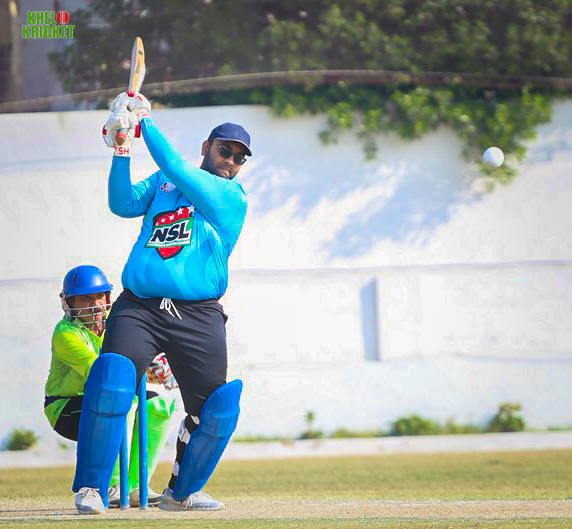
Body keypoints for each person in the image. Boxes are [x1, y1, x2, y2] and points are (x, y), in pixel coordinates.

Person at [71, 93, 250, 514]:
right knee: (112, 380)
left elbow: (176, 167)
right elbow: (122, 204)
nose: (230, 160)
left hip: (198, 314)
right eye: (224, 150)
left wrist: (144, 122)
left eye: (239, 157)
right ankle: (93, 489)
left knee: (215, 410)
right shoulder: (164, 183)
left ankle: (182, 493)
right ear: (206, 147)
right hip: (141, 307)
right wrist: (121, 149)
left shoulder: (231, 196)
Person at [44, 265, 178, 510]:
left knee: (160, 404)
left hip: (105, 397)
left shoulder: (116, 324)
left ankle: (135, 486)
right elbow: (103, 374)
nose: (95, 304)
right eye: (85, 298)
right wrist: (144, 366)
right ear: (69, 303)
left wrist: (155, 363)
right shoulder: (66, 333)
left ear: (107, 297)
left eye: (99, 296)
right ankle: (112, 484)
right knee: (123, 401)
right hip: (65, 407)